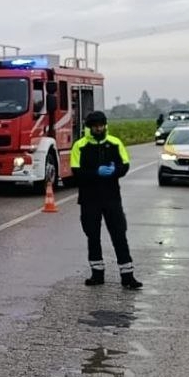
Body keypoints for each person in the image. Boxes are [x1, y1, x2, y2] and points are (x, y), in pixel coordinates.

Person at [69, 110, 142, 289]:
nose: (99, 129)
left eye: (101, 125)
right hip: (89, 199)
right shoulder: (79, 146)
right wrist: (96, 173)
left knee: (119, 235)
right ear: (89, 127)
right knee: (92, 236)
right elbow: (76, 172)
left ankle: (127, 276)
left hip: (111, 198)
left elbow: (125, 165)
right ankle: (97, 274)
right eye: (95, 126)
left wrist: (115, 171)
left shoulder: (115, 143)